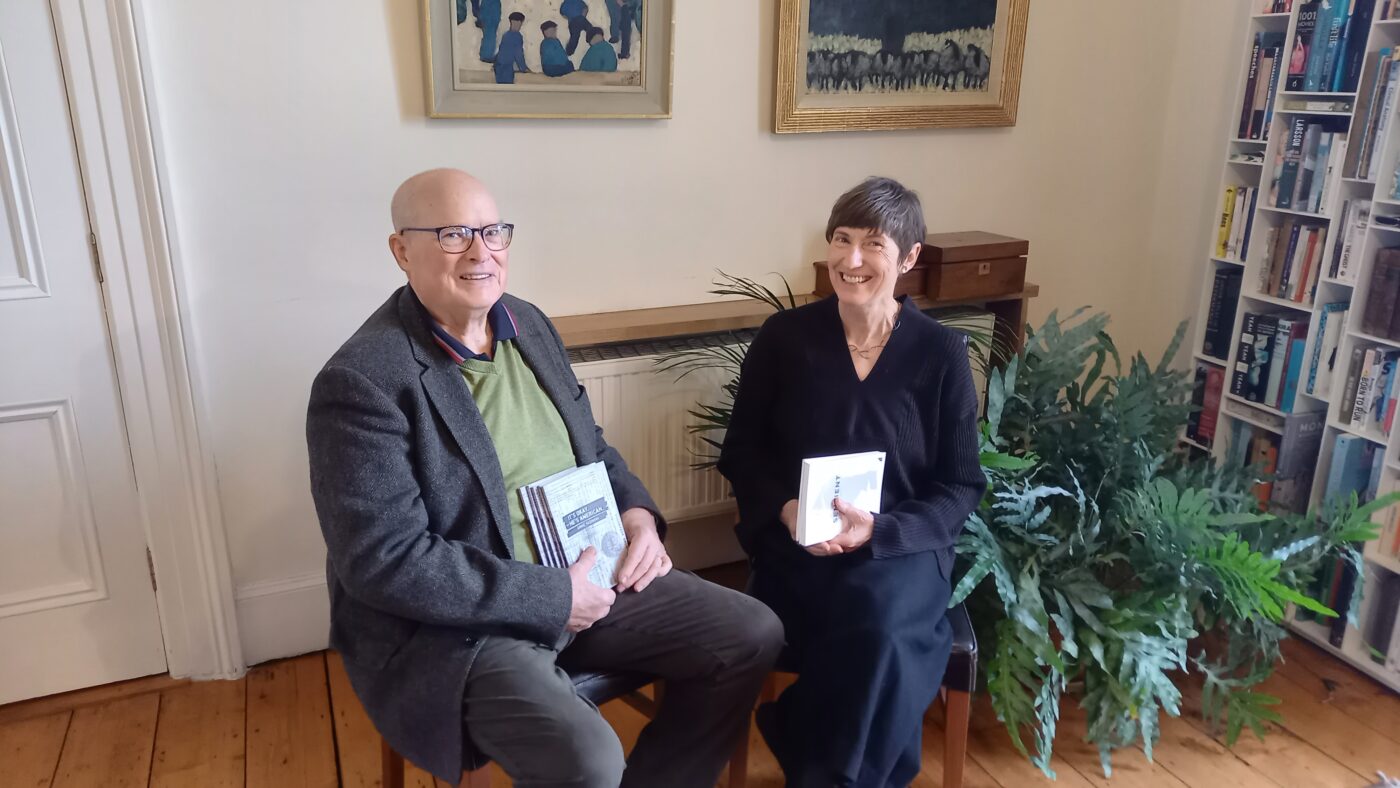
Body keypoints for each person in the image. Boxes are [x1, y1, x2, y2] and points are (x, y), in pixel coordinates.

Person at [307, 168, 783, 787]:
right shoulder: (362, 381)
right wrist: (556, 597)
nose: (481, 252)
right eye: (453, 235)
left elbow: (593, 449)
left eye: (493, 231)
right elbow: (385, 561)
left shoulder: (526, 323)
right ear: (401, 250)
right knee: (587, 758)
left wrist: (637, 516)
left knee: (751, 633)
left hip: (590, 573)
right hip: (466, 625)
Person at [717, 176, 987, 787]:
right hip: (800, 541)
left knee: (882, 626)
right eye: (841, 240)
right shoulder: (784, 339)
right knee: (867, 632)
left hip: (902, 546)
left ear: (910, 258)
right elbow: (743, 452)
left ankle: (815, 758)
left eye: (874, 245)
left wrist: (883, 531)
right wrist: (786, 511)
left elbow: (960, 485)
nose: (852, 259)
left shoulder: (940, 353)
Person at [493, 12, 529, 84]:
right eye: (519, 23)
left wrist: (495, 63)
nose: (519, 25)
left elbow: (501, 50)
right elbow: (518, 54)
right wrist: (523, 68)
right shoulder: (517, 36)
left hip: (499, 67)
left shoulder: (506, 35)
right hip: (507, 68)